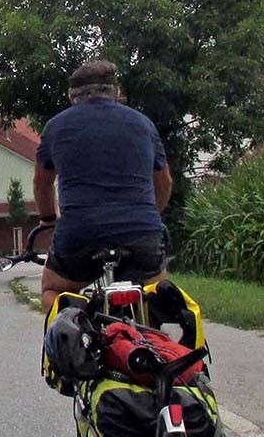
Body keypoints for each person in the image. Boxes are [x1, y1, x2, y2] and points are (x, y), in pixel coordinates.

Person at [33, 60, 173, 314]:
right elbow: (164, 182)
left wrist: (47, 220)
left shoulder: (56, 127)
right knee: (157, 291)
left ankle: (81, 321)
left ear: (71, 97)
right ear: (116, 93)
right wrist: (151, 215)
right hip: (141, 232)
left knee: (52, 290)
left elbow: (42, 183)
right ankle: (156, 341)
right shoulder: (143, 124)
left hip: (80, 235)